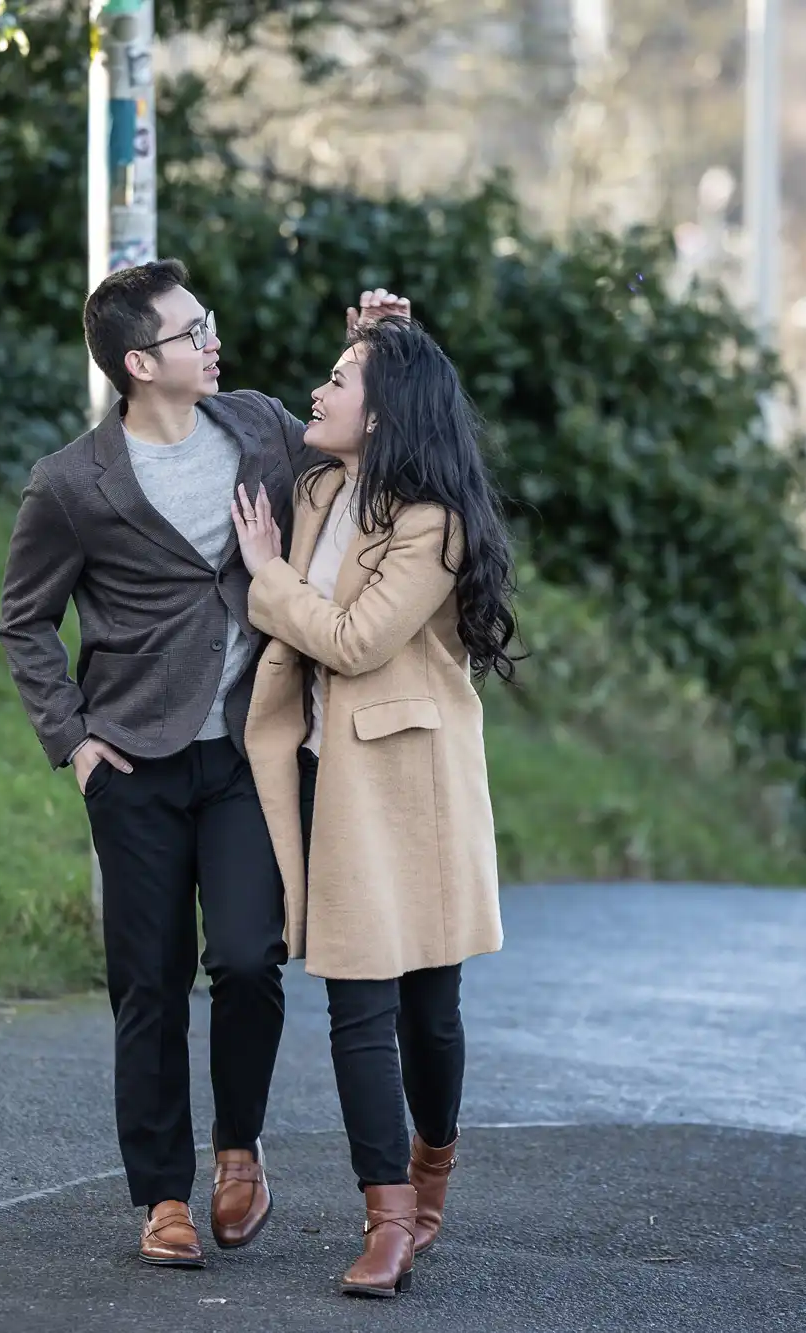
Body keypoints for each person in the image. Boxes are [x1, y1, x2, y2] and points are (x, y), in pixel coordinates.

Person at [0, 259, 410, 1269]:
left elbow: (360, 443)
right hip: (131, 765)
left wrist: (381, 343)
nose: (210, 340)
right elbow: (22, 620)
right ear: (141, 363)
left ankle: (238, 1149)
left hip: (242, 750)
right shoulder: (70, 483)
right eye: (191, 332)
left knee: (243, 957)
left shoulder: (260, 426)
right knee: (148, 981)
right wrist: (75, 742)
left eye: (206, 324)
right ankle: (160, 1197)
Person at [230, 316, 515, 1299]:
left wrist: (268, 580)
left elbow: (354, 641)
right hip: (324, 773)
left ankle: (432, 1161)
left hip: (415, 786)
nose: (318, 390)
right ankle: (386, 1216)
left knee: (428, 1012)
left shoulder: (431, 522)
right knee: (355, 997)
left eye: (339, 378)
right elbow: (272, 423)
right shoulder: (316, 490)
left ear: (384, 410)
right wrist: (372, 331)